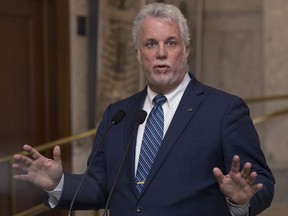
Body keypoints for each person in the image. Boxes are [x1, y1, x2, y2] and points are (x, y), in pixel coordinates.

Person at [13, 3, 275, 216]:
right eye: (151, 44)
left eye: (170, 43)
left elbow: (261, 181)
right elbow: (100, 187)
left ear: (186, 51)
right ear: (138, 54)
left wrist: (241, 202)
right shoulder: (118, 114)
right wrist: (57, 184)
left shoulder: (225, 110)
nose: (161, 53)